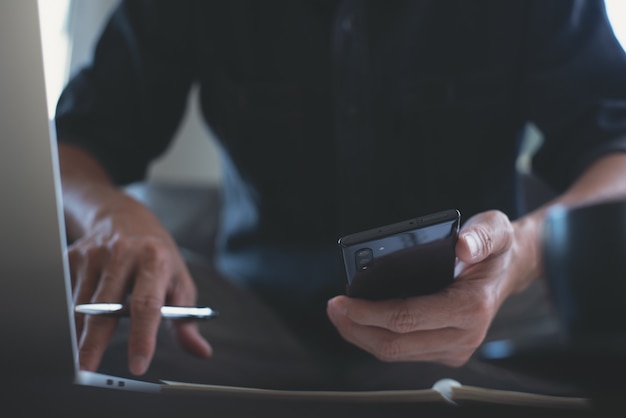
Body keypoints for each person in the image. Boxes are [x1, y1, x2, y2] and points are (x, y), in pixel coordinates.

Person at [55, 0, 626, 388]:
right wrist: (112, 217)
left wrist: (520, 259)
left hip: (486, 311)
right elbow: (68, 147)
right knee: (85, 334)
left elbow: (617, 150)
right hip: (253, 319)